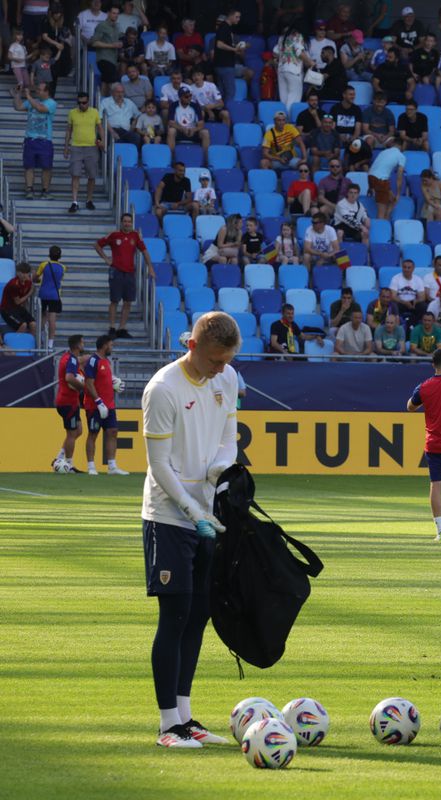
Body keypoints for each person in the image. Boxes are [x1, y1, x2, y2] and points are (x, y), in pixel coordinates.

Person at [140, 311, 241, 748]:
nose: (221, 369)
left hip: (208, 514)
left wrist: (222, 474)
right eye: (216, 360)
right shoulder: (163, 389)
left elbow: (228, 435)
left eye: (226, 361)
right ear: (193, 346)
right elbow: (158, 465)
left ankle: (185, 717)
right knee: (175, 615)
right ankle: (167, 726)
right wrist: (189, 509)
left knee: (199, 615)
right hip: (168, 517)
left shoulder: (227, 377)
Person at [95, 212, 152, 338]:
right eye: (125, 221)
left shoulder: (135, 236)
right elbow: (97, 245)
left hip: (130, 273)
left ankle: (122, 328)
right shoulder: (115, 235)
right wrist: (106, 258)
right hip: (116, 272)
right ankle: (112, 327)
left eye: (129, 221)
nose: (127, 223)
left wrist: (151, 268)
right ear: (121, 223)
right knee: (114, 300)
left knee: (128, 302)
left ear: (132, 223)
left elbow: (144, 251)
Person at [83, 333, 128, 475]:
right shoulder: (92, 361)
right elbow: (88, 383)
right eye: (111, 345)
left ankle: (112, 466)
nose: (112, 347)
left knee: (112, 432)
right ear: (104, 346)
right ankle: (91, 466)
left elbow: (105, 379)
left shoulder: (106, 361)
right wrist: (98, 401)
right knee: (93, 433)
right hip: (95, 405)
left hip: (109, 404)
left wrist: (115, 383)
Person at [51, 334, 86, 473]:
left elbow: (78, 362)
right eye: (82, 343)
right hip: (67, 402)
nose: (83, 345)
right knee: (72, 433)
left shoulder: (69, 357)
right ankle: (69, 464)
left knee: (78, 431)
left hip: (70, 401)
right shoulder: (70, 360)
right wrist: (84, 388)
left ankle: (59, 458)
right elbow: (69, 378)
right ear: (77, 345)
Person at [14, 81, 55, 199]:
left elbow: (40, 109)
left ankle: (45, 191)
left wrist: (28, 96)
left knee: (47, 167)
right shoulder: (32, 101)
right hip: (30, 139)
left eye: (40, 90)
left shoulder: (51, 103)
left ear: (47, 92)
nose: (37, 91)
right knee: (29, 166)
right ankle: (29, 189)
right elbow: (18, 107)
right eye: (37, 89)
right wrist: (17, 94)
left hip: (45, 140)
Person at [34, 245, 65, 347]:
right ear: (60, 256)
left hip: (43, 293)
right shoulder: (63, 267)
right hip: (55, 295)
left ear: (49, 255)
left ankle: (38, 336)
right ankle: (50, 342)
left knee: (43, 315)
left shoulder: (44, 264)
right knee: (52, 318)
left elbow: (36, 277)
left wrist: (37, 279)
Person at [1, 261, 35, 332]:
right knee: (23, 325)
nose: (24, 275)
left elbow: (22, 301)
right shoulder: (13, 284)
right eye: (22, 273)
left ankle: (32, 341)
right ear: (17, 273)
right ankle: (16, 341)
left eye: (26, 273)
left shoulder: (28, 282)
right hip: (7, 309)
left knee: (33, 324)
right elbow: (17, 302)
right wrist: (30, 293)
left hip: (18, 308)